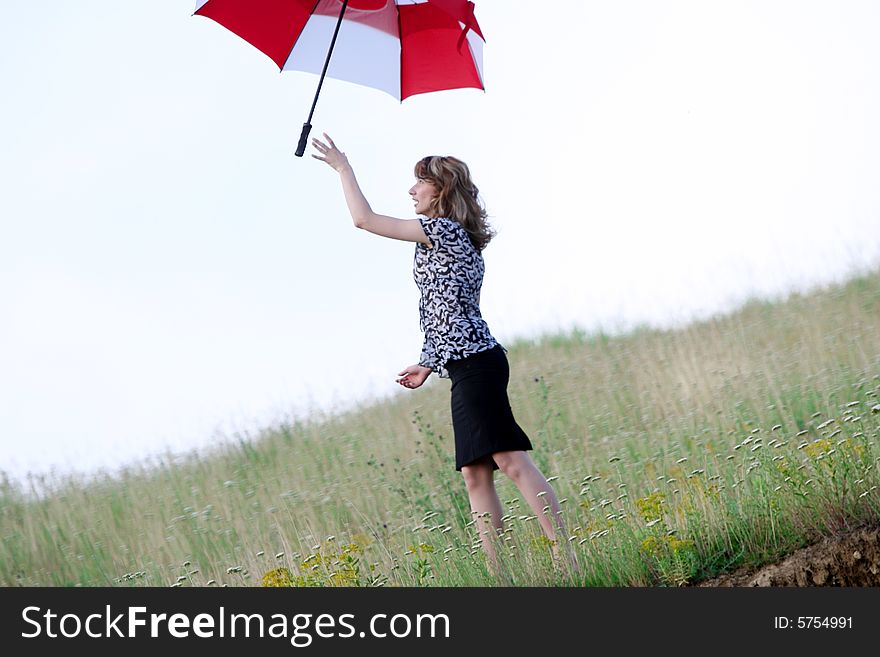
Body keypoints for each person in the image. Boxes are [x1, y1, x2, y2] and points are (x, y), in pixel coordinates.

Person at [311, 134, 575, 577]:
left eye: (420, 182)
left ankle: (565, 557)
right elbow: (447, 308)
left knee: (510, 460)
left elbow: (364, 220)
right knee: (475, 473)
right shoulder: (443, 237)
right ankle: (499, 577)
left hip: (477, 364)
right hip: (464, 364)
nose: (412, 190)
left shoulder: (443, 230)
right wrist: (429, 360)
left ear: (442, 190)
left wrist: (343, 169)